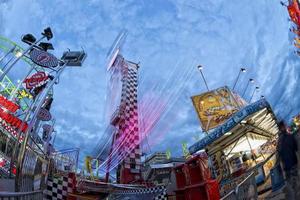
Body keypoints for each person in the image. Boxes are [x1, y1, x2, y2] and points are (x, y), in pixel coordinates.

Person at [277, 120, 299, 200]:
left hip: (286, 167)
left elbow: (278, 155)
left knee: (291, 185)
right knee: (296, 184)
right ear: (284, 126)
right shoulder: (290, 137)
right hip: (293, 164)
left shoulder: (279, 142)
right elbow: (296, 148)